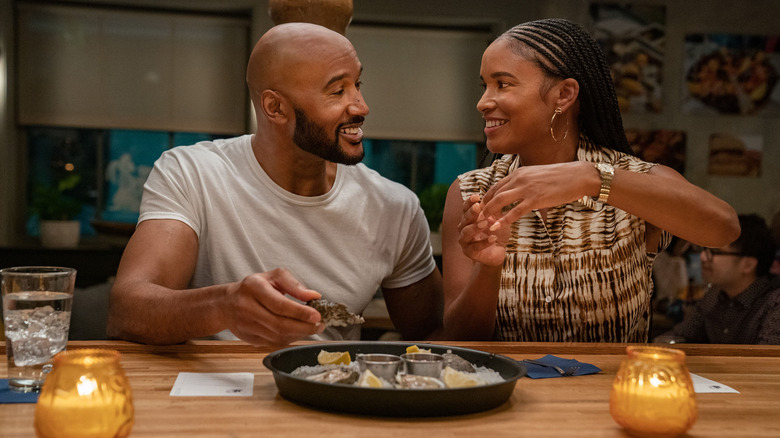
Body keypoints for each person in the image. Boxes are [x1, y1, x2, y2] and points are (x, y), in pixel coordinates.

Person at [106, 23, 443, 347]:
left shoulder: (394, 207)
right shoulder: (192, 173)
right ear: (275, 108)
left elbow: (435, 332)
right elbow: (127, 312)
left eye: (358, 84)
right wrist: (223, 305)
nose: (361, 106)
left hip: (331, 395)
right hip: (210, 395)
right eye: (338, 91)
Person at [441, 18, 740, 342]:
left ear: (564, 94)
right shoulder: (472, 193)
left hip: (614, 392)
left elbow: (724, 229)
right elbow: (460, 337)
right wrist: (488, 268)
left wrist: (592, 178)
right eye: (484, 85)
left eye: (503, 84)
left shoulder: (634, 178)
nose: (483, 102)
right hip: (510, 391)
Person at [658, 215, 780, 344]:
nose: (703, 257)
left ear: (748, 265)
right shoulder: (715, 296)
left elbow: (769, 358)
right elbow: (680, 335)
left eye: (715, 252)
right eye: (705, 250)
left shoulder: (774, 303)